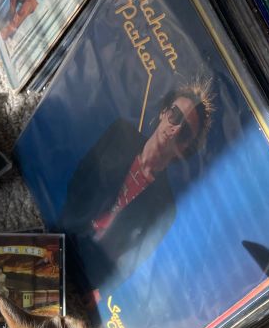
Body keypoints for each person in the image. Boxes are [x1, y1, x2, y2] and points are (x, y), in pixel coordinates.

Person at [59, 80, 215, 280]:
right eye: (175, 116)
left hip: (92, 274)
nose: (174, 129)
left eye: (185, 131)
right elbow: (82, 174)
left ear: (186, 148)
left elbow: (134, 259)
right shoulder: (120, 133)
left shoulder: (166, 206)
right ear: (164, 113)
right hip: (67, 229)